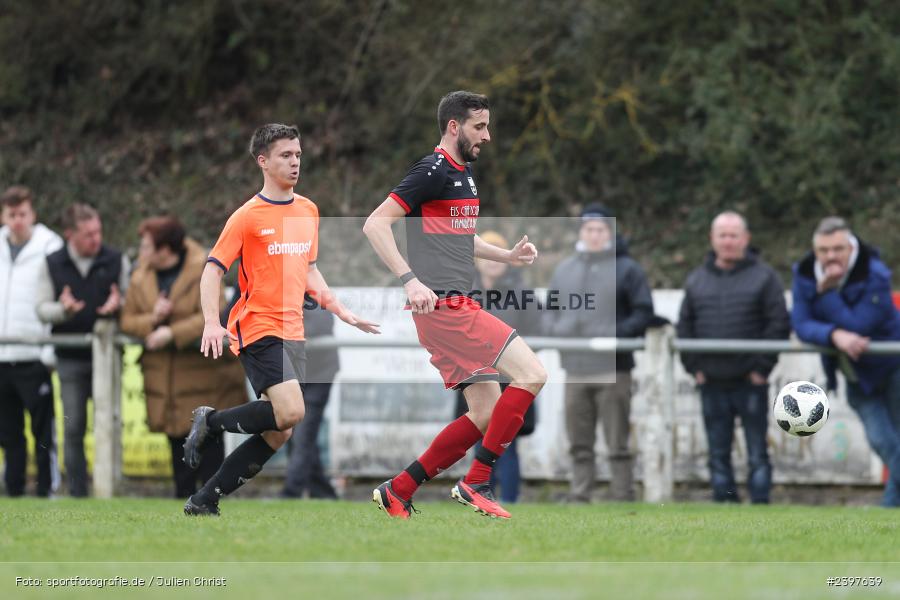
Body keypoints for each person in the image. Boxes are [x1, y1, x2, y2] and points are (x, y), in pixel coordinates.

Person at [363, 90, 547, 520]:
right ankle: (476, 481)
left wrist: (507, 257)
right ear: (453, 126)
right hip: (446, 308)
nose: (487, 135)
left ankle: (399, 489)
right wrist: (409, 280)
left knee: (485, 411)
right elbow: (375, 224)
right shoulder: (432, 170)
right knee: (533, 374)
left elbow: (462, 236)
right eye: (479, 127)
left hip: (451, 307)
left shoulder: (462, 173)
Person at [182, 123, 379, 516]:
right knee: (292, 412)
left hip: (294, 330)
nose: (295, 162)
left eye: (298, 155)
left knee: (280, 431)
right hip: (257, 325)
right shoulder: (247, 216)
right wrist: (211, 322)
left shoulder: (308, 210)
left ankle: (205, 500)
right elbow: (212, 269)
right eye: (286, 155)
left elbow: (310, 270)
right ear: (263, 162)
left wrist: (340, 309)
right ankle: (211, 422)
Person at [119, 215, 246, 499]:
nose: (141, 252)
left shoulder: (206, 267)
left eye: (146, 246)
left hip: (205, 373)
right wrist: (153, 319)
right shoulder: (140, 275)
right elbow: (126, 320)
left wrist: (172, 333)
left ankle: (212, 499)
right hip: (164, 377)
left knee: (209, 437)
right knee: (177, 440)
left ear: (165, 250)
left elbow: (215, 314)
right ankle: (184, 500)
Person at [677, 211, 790, 504]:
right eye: (722, 235)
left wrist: (762, 369)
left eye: (733, 235)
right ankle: (725, 503)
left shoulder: (765, 277)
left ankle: (760, 505)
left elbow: (778, 324)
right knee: (717, 452)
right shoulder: (697, 279)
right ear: (712, 239)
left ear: (746, 239)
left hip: (750, 380)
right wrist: (694, 367)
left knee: (757, 451)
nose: (728, 241)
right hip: (711, 380)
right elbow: (685, 327)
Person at [544, 204, 654, 502]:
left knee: (617, 440)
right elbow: (549, 312)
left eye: (600, 229)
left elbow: (643, 312)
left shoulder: (628, 269)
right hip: (575, 368)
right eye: (589, 229)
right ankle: (580, 494)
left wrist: (615, 333)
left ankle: (622, 494)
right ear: (581, 232)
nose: (594, 235)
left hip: (614, 368)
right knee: (579, 440)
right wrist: (558, 329)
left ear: (610, 233)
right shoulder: (565, 269)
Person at [791, 217, 900, 507]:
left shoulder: (875, 273)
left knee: (895, 441)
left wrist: (826, 294)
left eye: (838, 249)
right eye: (823, 250)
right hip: (854, 374)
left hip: (892, 367)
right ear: (815, 250)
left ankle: (889, 508)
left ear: (851, 247)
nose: (831, 256)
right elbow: (801, 324)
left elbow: (859, 326)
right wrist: (833, 334)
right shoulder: (804, 274)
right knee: (882, 441)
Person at [35, 203, 130, 497]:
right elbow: (41, 309)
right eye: (88, 234)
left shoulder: (116, 259)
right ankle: (78, 491)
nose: (96, 239)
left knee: (109, 421)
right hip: (70, 358)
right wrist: (62, 310)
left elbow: (131, 301)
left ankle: (110, 486)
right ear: (70, 234)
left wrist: (119, 306)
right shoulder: (52, 262)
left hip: (107, 356)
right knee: (73, 425)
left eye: (98, 232)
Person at [453, 230, 541, 504]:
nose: (492, 262)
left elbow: (537, 331)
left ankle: (510, 499)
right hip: (476, 376)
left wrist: (512, 359)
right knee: (478, 435)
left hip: (511, 379)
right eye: (487, 255)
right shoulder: (464, 289)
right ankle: (477, 493)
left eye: (497, 255)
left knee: (507, 443)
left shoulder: (522, 293)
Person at [0, 185, 63, 497]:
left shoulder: (50, 246)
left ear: (32, 214)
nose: (17, 221)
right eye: (11, 214)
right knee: (8, 432)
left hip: (34, 356)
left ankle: (45, 490)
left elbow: (55, 300)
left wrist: (48, 351)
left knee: (42, 432)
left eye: (22, 214)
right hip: (2, 355)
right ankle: (13, 491)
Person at [282, 294, 339, 500]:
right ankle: (323, 491)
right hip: (296, 373)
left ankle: (291, 493)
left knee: (302, 434)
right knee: (298, 434)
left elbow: (319, 326)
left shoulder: (312, 290)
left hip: (317, 374)